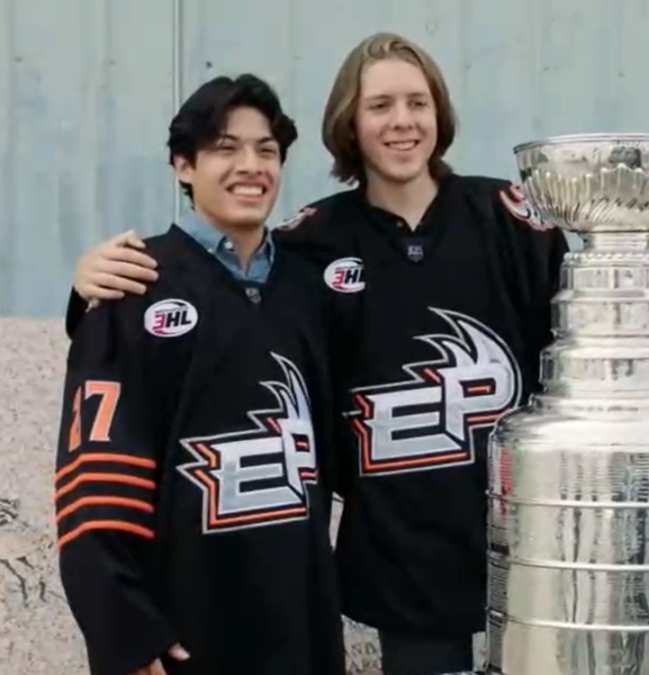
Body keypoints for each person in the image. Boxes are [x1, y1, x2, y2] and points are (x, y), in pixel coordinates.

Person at [66, 32, 570, 675]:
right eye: (380, 105)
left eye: (418, 102)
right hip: (400, 565)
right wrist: (88, 292)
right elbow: (217, 297)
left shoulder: (510, 219)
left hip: (525, 549)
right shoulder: (310, 245)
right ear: (349, 125)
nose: (402, 121)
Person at [55, 73, 348, 675]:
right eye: (225, 147)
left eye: (266, 150)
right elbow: (93, 487)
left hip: (300, 622)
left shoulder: (308, 287)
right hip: (187, 630)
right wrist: (126, 635)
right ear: (182, 165)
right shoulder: (132, 283)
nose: (251, 165)